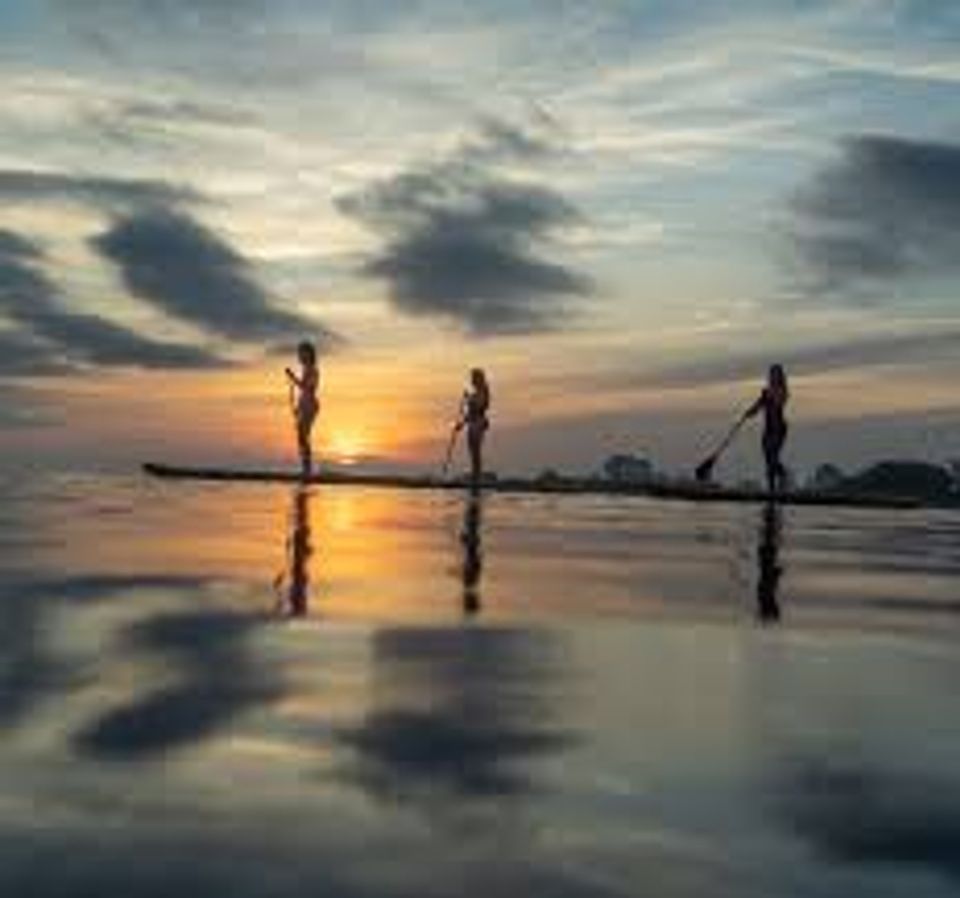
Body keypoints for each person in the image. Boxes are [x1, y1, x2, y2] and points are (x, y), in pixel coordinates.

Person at [744, 363, 789, 494]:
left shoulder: (782, 390)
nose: (773, 376)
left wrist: (768, 396)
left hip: (778, 428)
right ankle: (771, 489)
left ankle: (782, 476)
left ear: (780, 376)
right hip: (768, 429)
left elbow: (779, 402)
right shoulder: (766, 391)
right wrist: (749, 412)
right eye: (772, 374)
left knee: (773, 458)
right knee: (768, 460)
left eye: (776, 374)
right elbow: (757, 407)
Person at [285, 341, 320, 478]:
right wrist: (298, 408)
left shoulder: (313, 370)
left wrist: (292, 377)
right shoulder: (306, 370)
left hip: (310, 406)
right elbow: (303, 391)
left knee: (303, 437)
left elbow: (308, 388)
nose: (300, 356)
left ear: (309, 355)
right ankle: (306, 468)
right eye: (300, 353)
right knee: (302, 437)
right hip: (305, 405)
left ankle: (307, 469)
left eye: (302, 353)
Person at [458, 368, 490, 486]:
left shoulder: (483, 392)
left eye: (473, 378)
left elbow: (479, 407)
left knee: (476, 451)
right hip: (473, 424)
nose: (471, 380)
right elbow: (470, 412)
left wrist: (468, 399)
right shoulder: (476, 393)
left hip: (478, 424)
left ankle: (477, 478)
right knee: (473, 452)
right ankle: (475, 476)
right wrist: (461, 424)